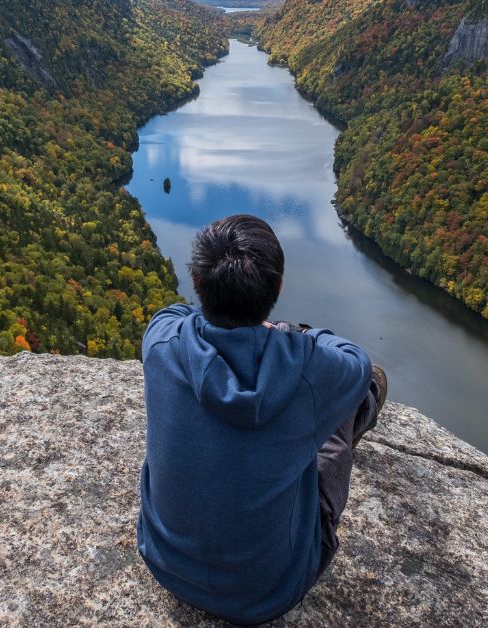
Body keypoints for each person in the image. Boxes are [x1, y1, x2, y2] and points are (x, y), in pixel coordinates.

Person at [137, 214, 387, 625]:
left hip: (165, 563)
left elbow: (172, 313)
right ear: (279, 287)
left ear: (198, 283)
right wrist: (293, 334)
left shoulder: (162, 342)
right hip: (268, 592)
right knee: (360, 393)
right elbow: (358, 363)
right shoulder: (308, 369)